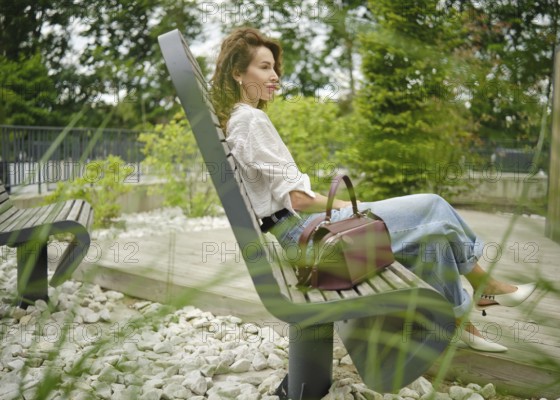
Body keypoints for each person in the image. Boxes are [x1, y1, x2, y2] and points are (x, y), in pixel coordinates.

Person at [210, 27, 536, 353]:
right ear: (238, 73)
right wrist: (355, 207)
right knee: (434, 206)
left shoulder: (242, 120)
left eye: (274, 68)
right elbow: (297, 198)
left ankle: (461, 320)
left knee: (432, 236)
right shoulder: (250, 121)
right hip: (315, 243)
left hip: (305, 239)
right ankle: (483, 285)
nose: (275, 76)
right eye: (264, 67)